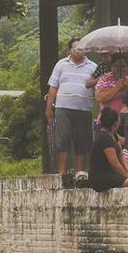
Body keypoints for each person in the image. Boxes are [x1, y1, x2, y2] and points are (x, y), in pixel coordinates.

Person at [46, 38, 98, 179]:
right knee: (63, 139)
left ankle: (79, 172)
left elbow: (98, 89)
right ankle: (61, 172)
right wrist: (49, 107)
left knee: (82, 140)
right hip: (63, 107)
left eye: (82, 48)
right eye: (76, 48)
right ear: (70, 50)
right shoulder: (61, 64)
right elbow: (53, 87)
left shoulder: (93, 66)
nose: (79, 51)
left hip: (84, 108)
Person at [89, 108, 128, 192]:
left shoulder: (113, 134)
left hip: (111, 173)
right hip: (101, 176)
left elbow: (121, 155)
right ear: (115, 123)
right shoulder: (104, 137)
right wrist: (126, 176)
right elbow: (115, 164)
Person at [94, 54, 128, 120]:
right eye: (116, 66)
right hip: (107, 120)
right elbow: (99, 98)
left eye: (123, 66)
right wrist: (117, 87)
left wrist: (127, 88)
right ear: (111, 67)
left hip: (127, 120)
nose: (120, 69)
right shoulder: (105, 79)